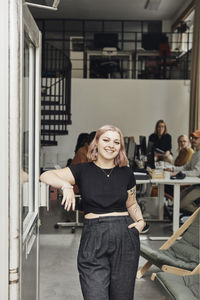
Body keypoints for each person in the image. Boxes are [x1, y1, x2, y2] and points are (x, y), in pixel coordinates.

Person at [40, 125, 146, 300]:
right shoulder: (82, 170)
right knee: (94, 294)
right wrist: (65, 185)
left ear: (120, 147)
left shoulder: (126, 173)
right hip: (94, 236)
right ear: (96, 142)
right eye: (106, 140)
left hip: (125, 236)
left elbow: (132, 203)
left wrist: (141, 222)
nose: (111, 145)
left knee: (123, 296)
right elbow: (45, 175)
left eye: (116, 142)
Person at [169, 130, 200, 213]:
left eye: (196, 138)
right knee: (176, 201)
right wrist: (172, 169)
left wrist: (179, 173)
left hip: (199, 187)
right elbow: (186, 167)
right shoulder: (196, 153)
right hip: (195, 185)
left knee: (182, 204)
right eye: (192, 138)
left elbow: (196, 172)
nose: (193, 140)